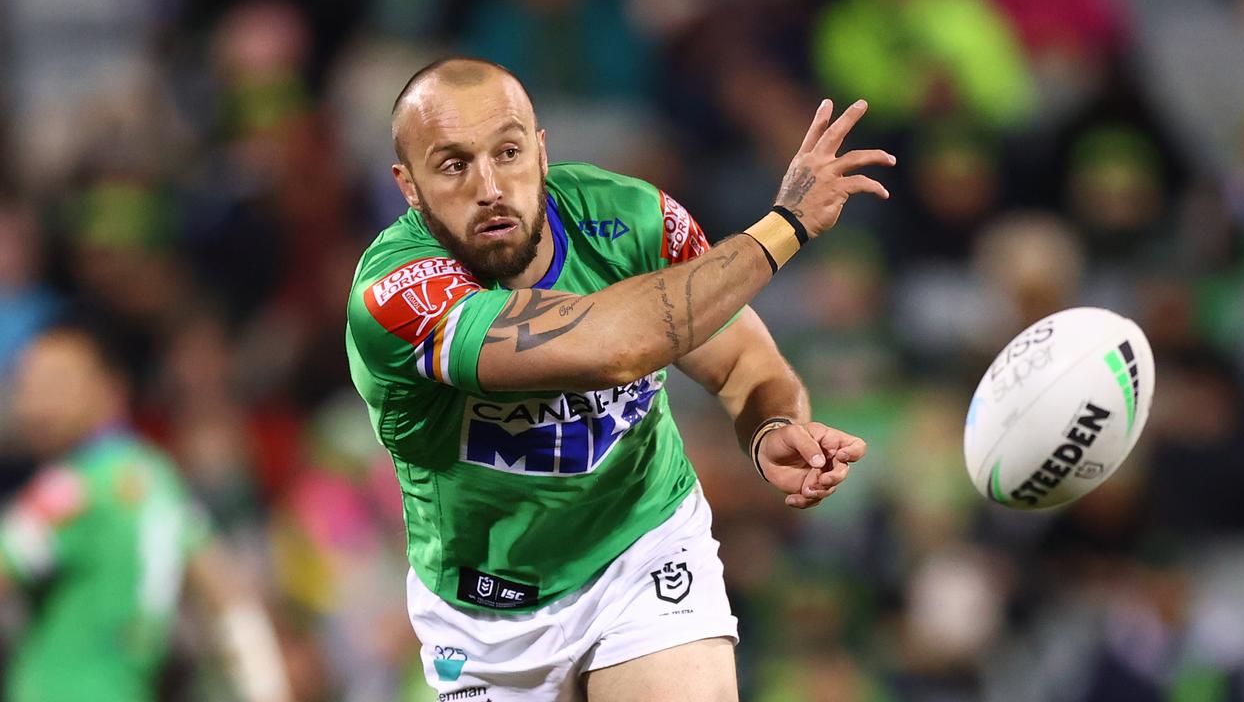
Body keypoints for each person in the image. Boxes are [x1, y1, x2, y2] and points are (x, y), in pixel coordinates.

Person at [345, 56, 895, 701]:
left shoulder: (632, 219)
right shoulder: (395, 293)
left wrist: (770, 424)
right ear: (408, 186)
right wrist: (783, 226)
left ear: (542, 152)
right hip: (486, 612)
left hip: (643, 546)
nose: (490, 186)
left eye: (509, 152)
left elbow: (744, 361)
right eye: (454, 164)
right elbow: (612, 346)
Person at [0, 325, 294, 702]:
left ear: (109, 389)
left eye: (56, 382)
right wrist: (267, 689)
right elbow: (231, 597)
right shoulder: (157, 478)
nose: (34, 400)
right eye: (28, 383)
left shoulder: (73, 488)